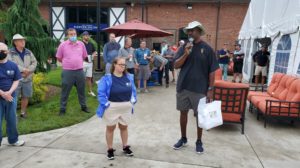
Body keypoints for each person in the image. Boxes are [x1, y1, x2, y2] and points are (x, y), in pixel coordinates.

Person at [173, 21, 219, 154]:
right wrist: (186, 53)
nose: (189, 33)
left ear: (199, 31)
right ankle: (183, 138)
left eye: (192, 30)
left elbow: (212, 71)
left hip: (200, 89)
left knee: (199, 116)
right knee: (183, 113)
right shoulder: (184, 47)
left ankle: (199, 141)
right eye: (188, 31)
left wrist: (210, 89)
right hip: (183, 87)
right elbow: (176, 65)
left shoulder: (208, 49)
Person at [97, 57, 137, 160]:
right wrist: (106, 104)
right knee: (111, 128)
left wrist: (132, 101)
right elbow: (101, 93)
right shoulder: (106, 78)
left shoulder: (129, 77)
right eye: (120, 64)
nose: (122, 67)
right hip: (112, 107)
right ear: (114, 64)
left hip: (126, 108)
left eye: (124, 65)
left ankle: (125, 146)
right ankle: (110, 149)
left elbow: (133, 91)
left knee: (124, 127)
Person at [56, 28, 90, 115]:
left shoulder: (81, 44)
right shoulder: (63, 45)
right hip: (68, 71)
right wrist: (68, 62)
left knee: (81, 90)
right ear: (67, 35)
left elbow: (84, 56)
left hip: (79, 71)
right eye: (71, 34)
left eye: (74, 34)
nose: (73, 36)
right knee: (65, 91)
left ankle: (83, 106)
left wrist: (76, 61)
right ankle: (62, 109)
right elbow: (59, 58)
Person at [0, 42, 25, 147]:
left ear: (7, 52)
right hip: (1, 97)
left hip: (11, 97)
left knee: (12, 119)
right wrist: (2, 93)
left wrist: (9, 92)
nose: (0, 53)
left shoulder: (13, 65)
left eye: (2, 51)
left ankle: (13, 140)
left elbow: (16, 80)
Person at [8, 34, 37, 118]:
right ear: (15, 42)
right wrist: (24, 70)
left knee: (26, 96)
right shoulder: (10, 53)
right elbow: (12, 64)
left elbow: (34, 62)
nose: (23, 42)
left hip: (27, 78)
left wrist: (28, 71)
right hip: (15, 80)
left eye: (23, 40)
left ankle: (23, 113)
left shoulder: (28, 52)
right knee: (14, 97)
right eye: (20, 40)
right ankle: (13, 114)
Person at [82, 31, 97, 97]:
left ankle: (90, 91)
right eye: (86, 35)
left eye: (88, 35)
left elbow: (94, 51)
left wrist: (93, 55)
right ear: (83, 36)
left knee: (89, 77)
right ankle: (81, 91)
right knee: (82, 78)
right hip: (83, 62)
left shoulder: (91, 44)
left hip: (90, 63)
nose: (87, 37)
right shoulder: (81, 44)